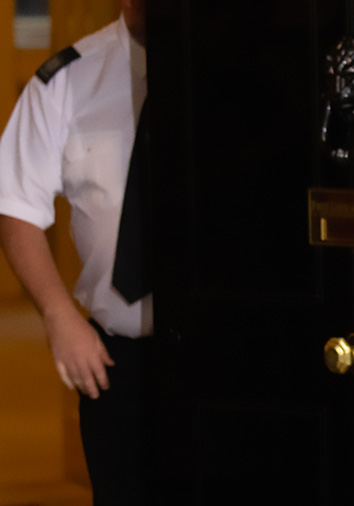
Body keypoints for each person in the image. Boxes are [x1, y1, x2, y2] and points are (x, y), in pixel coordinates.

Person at [0, 1, 155, 504]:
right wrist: (57, 313)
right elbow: (17, 206)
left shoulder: (249, 72)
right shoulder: (67, 79)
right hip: (119, 354)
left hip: (228, 348)